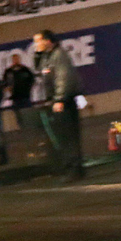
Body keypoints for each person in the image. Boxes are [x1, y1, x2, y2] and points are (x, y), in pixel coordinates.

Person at [32, 29, 84, 181]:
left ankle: (74, 170)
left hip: (64, 102)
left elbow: (63, 77)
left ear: (47, 41)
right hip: (55, 101)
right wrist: (37, 55)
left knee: (69, 137)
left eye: (38, 41)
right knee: (62, 137)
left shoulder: (59, 55)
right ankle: (69, 168)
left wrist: (60, 99)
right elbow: (40, 72)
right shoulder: (47, 56)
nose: (36, 44)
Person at [2, 57, 37, 150]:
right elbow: (4, 83)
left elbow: (32, 80)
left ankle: (32, 135)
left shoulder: (25, 70)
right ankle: (25, 136)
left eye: (17, 59)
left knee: (29, 117)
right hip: (15, 99)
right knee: (20, 119)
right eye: (14, 60)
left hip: (25, 97)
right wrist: (7, 89)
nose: (16, 61)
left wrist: (27, 89)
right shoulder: (9, 72)